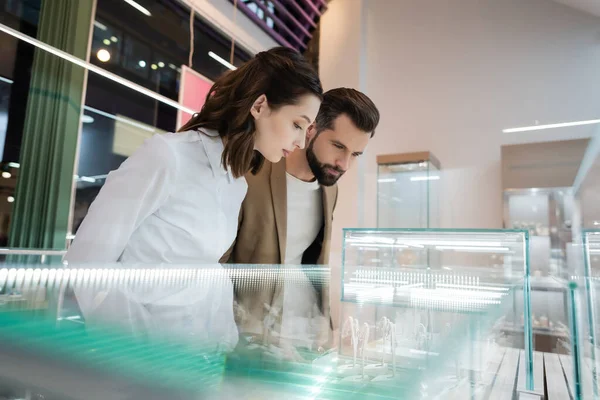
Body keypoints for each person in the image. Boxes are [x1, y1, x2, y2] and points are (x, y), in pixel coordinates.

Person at [65, 46, 323, 264]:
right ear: (259, 106)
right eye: (297, 125)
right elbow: (86, 260)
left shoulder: (235, 183)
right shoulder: (167, 157)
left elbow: (205, 282)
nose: (300, 142)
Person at [221, 88, 380, 349]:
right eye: (338, 146)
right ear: (311, 129)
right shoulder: (252, 174)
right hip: (246, 339)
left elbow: (313, 266)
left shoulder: (330, 190)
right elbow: (217, 265)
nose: (345, 164)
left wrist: (325, 332)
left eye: (355, 154)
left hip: (302, 338)